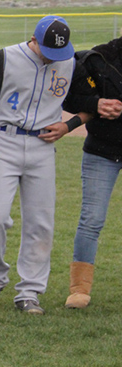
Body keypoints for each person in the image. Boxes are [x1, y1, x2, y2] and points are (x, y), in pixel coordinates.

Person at [0, 15, 101, 315]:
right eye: (48, 49)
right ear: (34, 39)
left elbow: (92, 103)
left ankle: (29, 291)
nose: (54, 56)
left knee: (41, 223)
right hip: (5, 140)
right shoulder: (6, 57)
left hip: (44, 147)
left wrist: (68, 126)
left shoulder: (70, 62)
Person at [64, 38, 122, 309]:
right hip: (101, 151)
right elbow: (68, 98)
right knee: (92, 219)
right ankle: (79, 289)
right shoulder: (97, 58)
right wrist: (97, 103)